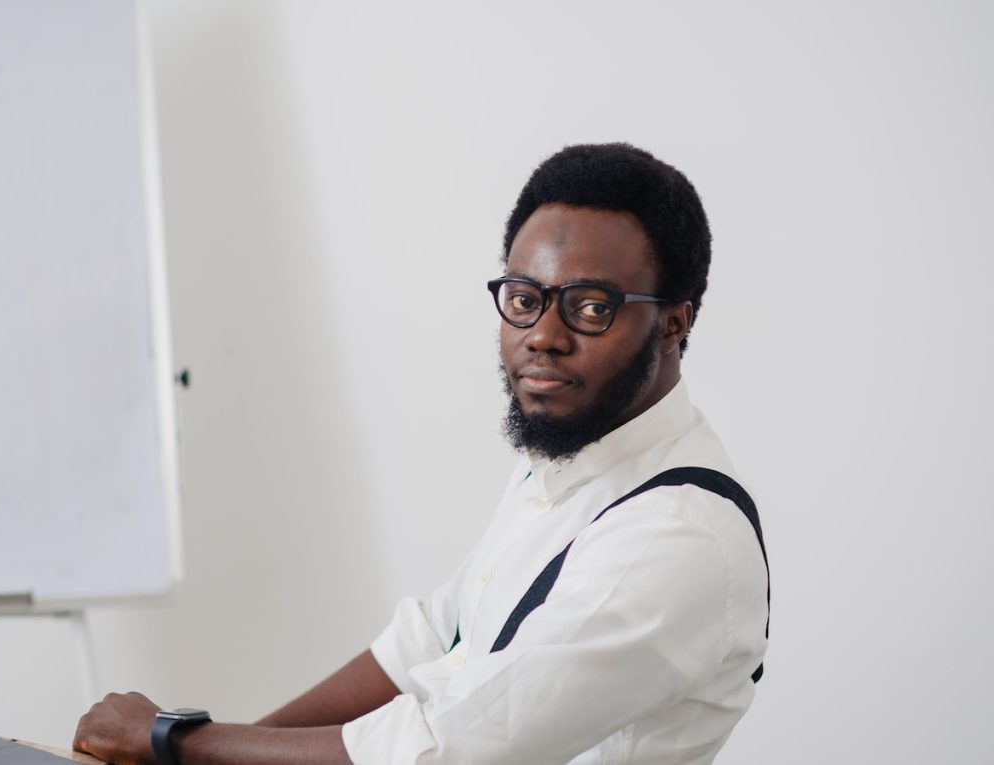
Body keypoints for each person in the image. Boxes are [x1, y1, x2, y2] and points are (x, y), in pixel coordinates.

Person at [73, 143, 770, 765]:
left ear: (674, 322)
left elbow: (445, 744)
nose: (543, 335)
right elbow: (432, 639)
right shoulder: (571, 458)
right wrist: (219, 750)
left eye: (590, 308)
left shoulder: (679, 535)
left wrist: (175, 740)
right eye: (525, 298)